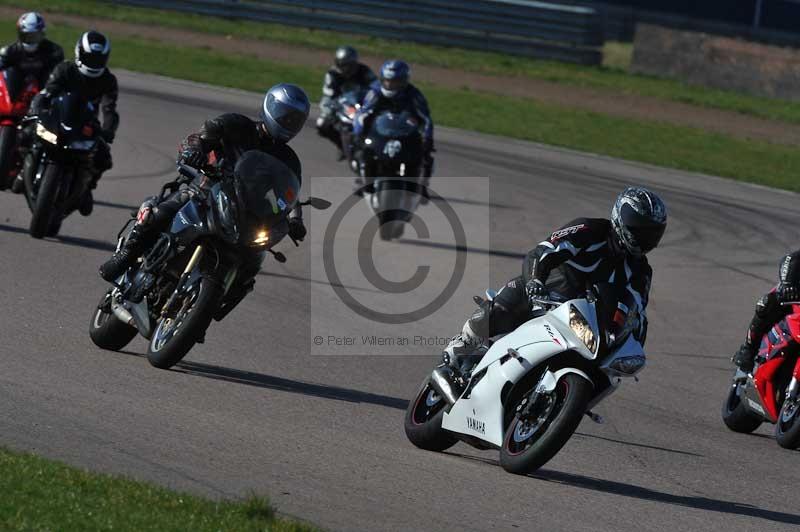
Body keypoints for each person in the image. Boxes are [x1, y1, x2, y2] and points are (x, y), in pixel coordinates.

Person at [98, 83, 311, 309]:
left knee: (252, 263)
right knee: (163, 212)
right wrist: (196, 150)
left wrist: (295, 219)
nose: (288, 122)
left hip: (246, 212)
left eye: (294, 119)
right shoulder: (238, 125)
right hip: (207, 189)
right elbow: (203, 135)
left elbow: (290, 193)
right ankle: (126, 255)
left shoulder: (288, 160)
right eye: (285, 115)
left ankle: (216, 303)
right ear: (270, 107)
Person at [441, 187, 667, 382]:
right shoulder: (589, 230)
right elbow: (541, 253)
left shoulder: (641, 272)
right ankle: (462, 345)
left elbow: (637, 315)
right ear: (621, 216)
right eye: (638, 227)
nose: (643, 236)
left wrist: (631, 345)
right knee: (501, 309)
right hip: (544, 294)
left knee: (605, 373)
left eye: (651, 232)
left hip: (583, 326)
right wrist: (535, 281)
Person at [16, 30, 117, 217]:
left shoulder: (108, 80)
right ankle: (23, 171)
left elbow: (109, 109)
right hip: (57, 115)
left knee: (103, 157)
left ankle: (87, 188)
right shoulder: (65, 69)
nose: (93, 63)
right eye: (90, 57)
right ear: (80, 52)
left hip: (86, 122)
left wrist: (108, 130)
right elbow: (48, 91)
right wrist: (37, 108)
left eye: (97, 58)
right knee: (26, 133)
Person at [352, 59, 434, 198]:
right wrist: (358, 133)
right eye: (387, 81)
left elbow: (426, 119)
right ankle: (366, 183)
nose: (390, 85)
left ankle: (421, 186)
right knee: (362, 152)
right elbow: (362, 114)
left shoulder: (414, 94)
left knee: (424, 156)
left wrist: (427, 138)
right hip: (378, 133)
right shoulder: (375, 92)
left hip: (406, 134)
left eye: (395, 81)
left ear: (404, 81)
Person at [732, 253, 800, 372]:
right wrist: (788, 284)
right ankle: (749, 350)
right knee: (766, 303)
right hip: (795, 295)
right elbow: (789, 260)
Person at [316, 46, 376, 159]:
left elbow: (376, 87)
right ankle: (341, 145)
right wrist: (329, 110)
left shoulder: (364, 71)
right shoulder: (332, 75)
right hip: (341, 105)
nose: (347, 69)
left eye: (349, 66)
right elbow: (328, 96)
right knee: (321, 124)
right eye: (343, 65)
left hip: (363, 103)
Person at [0, 12, 64, 87]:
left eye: (34, 36)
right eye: (26, 36)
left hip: (44, 93)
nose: (30, 40)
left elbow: (60, 75)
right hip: (15, 91)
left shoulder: (54, 51)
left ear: (42, 34)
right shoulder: (8, 52)